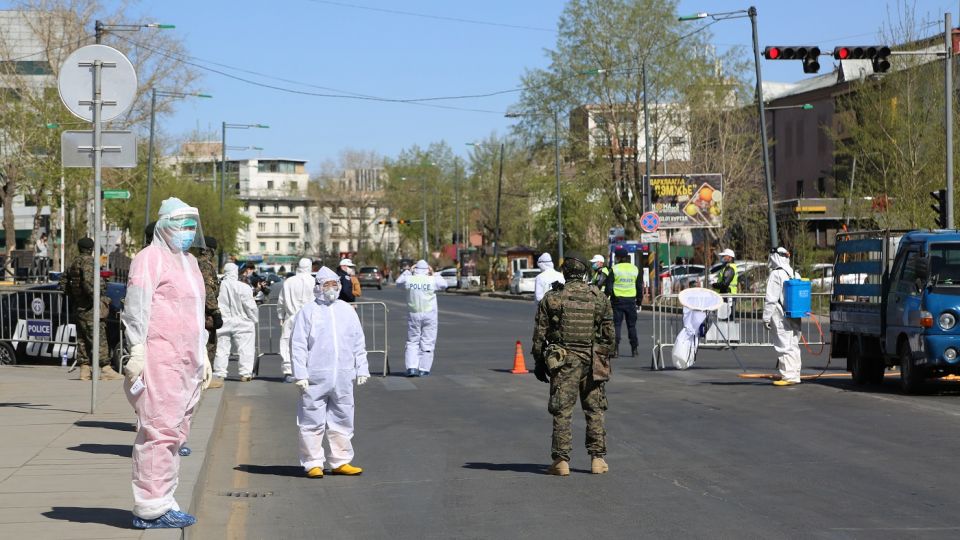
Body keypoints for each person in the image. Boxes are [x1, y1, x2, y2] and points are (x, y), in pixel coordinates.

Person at [121, 197, 209, 529]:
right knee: (158, 432)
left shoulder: (189, 263)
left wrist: (203, 352)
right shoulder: (149, 259)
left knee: (174, 433)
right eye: (182, 225)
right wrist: (137, 349)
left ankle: (164, 500)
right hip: (160, 358)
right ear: (164, 226)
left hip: (187, 360)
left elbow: (195, 313)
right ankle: (150, 507)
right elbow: (137, 306)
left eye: (191, 226)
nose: (187, 232)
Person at [531, 252, 614, 476]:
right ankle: (597, 459)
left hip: (564, 360)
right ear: (586, 271)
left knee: (562, 410)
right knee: (595, 409)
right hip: (592, 358)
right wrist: (603, 357)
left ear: (565, 271)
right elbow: (609, 334)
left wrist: (539, 362)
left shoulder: (553, 297)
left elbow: (540, 334)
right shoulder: (598, 296)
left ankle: (561, 461)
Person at [291, 267, 370, 478]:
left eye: (334, 284)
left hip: (343, 375)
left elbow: (358, 341)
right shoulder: (308, 311)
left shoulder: (346, 310)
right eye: (327, 285)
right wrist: (300, 374)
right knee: (311, 420)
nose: (331, 288)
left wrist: (361, 367)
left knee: (343, 417)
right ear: (318, 287)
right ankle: (313, 462)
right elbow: (298, 345)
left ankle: (341, 461)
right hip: (315, 376)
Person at [62, 237, 122, 381]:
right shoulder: (89, 262)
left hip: (79, 306)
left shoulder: (73, 262)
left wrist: (75, 297)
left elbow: (63, 283)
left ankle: (84, 369)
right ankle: (106, 369)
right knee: (99, 336)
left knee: (82, 337)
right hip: (90, 306)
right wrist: (98, 297)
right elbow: (90, 284)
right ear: (91, 249)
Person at [396, 259, 448, 376]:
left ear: (416, 269)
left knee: (412, 341)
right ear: (427, 270)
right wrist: (434, 273)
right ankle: (424, 369)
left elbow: (398, 282)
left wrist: (408, 271)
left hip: (414, 314)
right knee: (428, 341)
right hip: (429, 315)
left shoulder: (409, 279)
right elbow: (444, 284)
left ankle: (411, 367)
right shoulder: (431, 279)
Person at [763, 247, 803, 386]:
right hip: (795, 314)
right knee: (793, 344)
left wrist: (766, 317)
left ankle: (788, 376)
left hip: (780, 315)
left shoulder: (776, 274)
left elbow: (771, 298)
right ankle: (795, 374)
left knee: (783, 345)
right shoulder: (794, 273)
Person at [213, 263, 259, 383]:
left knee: (221, 349)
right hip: (243, 322)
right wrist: (254, 319)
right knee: (245, 349)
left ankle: (219, 373)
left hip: (223, 321)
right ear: (235, 271)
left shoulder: (218, 287)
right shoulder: (243, 287)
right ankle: (245, 373)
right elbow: (250, 307)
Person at [278, 258, 316, 383]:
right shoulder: (314, 281)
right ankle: (307, 370)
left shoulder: (289, 281)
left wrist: (281, 316)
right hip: (310, 318)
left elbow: (282, 301)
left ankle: (289, 371)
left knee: (287, 343)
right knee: (310, 344)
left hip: (291, 316)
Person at [192, 236, 223, 389]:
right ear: (211, 250)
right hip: (204, 312)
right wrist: (215, 311)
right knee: (209, 344)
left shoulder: (195, 262)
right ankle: (205, 378)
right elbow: (207, 289)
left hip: (198, 310)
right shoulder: (205, 265)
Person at [607, 249, 641, 358]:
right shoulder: (635, 269)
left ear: (618, 258)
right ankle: (634, 349)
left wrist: (610, 297)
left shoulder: (614, 269)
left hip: (617, 301)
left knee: (617, 325)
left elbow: (608, 287)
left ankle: (615, 349)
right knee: (631, 326)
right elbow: (639, 287)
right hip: (631, 301)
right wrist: (639, 300)